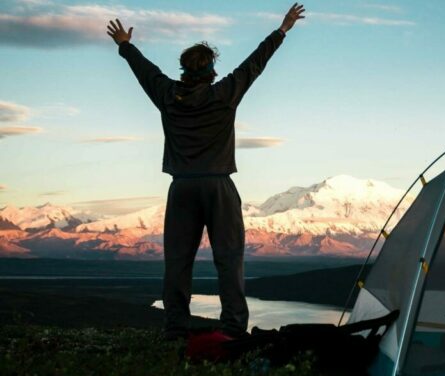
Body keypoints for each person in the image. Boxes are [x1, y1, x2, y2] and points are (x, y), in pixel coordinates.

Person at [106, 4, 305, 340]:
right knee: (228, 259)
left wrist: (125, 45)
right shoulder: (224, 94)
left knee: (178, 262)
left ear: (183, 70)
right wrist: (282, 29)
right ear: (212, 71)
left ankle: (175, 328)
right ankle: (232, 330)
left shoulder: (168, 96)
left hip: (182, 187)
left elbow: (146, 71)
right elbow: (255, 63)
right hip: (217, 186)